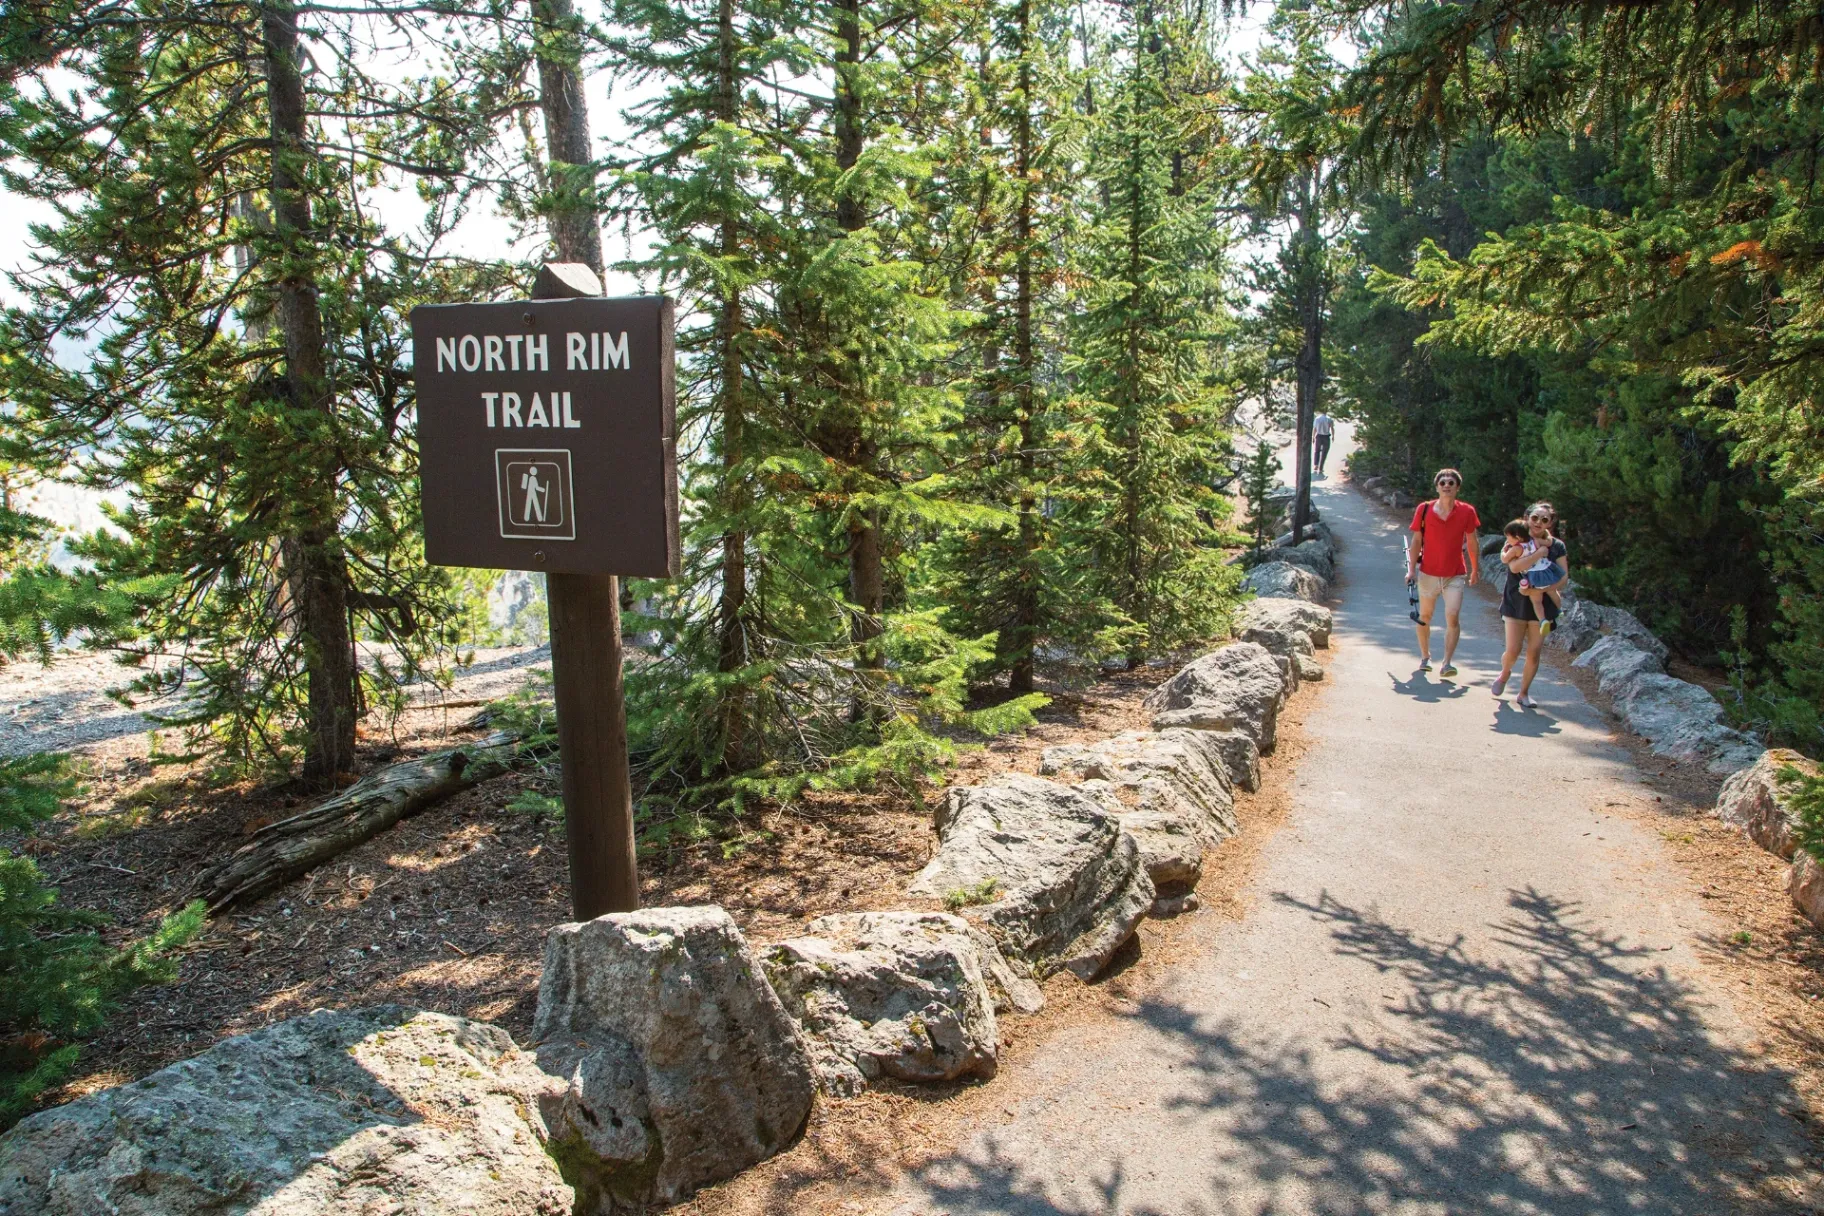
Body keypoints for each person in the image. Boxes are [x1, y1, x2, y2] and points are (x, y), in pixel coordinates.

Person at [1405, 467, 1480, 677]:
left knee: (1453, 617)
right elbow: (1416, 541)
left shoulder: (1467, 511)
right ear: (1437, 487)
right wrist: (1411, 570)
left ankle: (1447, 663)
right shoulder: (1424, 509)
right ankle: (1425, 656)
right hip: (1428, 573)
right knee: (1424, 616)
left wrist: (1475, 569)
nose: (1446, 485)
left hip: (1454, 574)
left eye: (1451, 483)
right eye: (1443, 483)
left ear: (1457, 488)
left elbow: (1472, 542)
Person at [1493, 502, 1570, 706]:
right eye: (1535, 517)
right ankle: (1504, 673)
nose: (1538, 522)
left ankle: (1523, 693)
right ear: (1527, 517)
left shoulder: (1557, 546)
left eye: (1544, 519)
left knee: (1534, 651)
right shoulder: (1516, 536)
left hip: (1542, 604)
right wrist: (1537, 555)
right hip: (1516, 600)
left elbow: (1564, 578)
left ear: (1550, 523)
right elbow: (1515, 566)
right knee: (1513, 650)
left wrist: (1542, 590)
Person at [1313, 411, 1334, 476]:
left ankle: (1316, 465)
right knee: (1324, 453)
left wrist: (1313, 436)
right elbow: (1332, 428)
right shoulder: (1329, 419)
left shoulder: (1317, 418)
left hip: (1319, 436)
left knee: (1317, 451)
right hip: (1326, 437)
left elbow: (1315, 428)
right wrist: (1333, 436)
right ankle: (1321, 467)